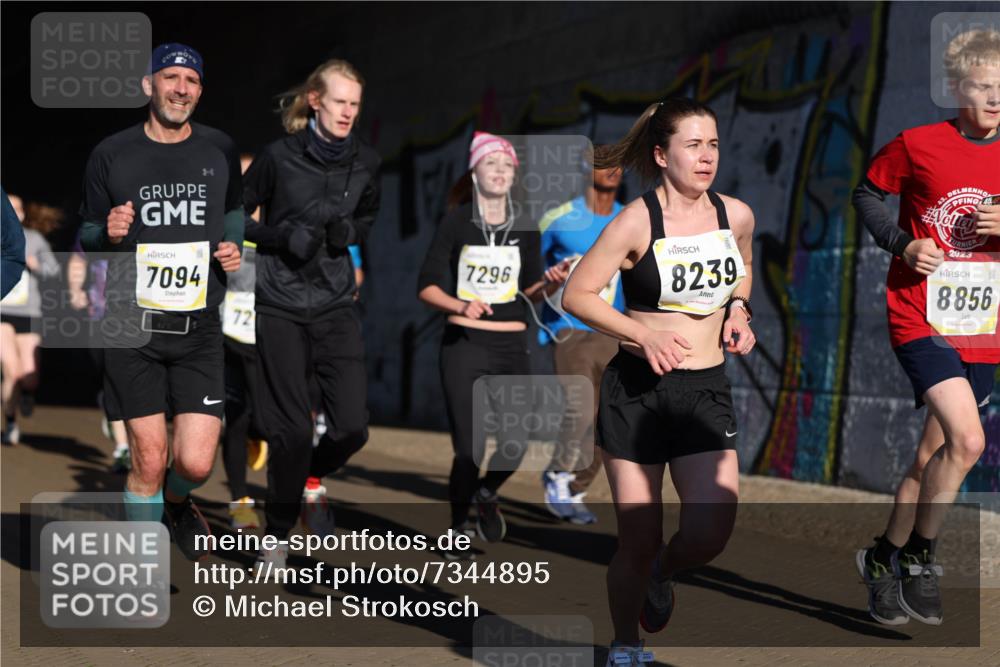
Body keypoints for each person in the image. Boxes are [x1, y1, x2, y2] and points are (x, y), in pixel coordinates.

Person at [562, 98, 755, 665]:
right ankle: (627, 644)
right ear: (661, 154)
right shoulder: (635, 221)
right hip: (638, 395)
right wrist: (640, 335)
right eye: (693, 145)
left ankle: (663, 575)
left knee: (709, 533)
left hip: (704, 391)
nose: (706, 157)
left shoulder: (735, 215)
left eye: (713, 144)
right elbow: (578, 294)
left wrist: (740, 311)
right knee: (638, 540)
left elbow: (740, 272)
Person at [851, 28, 999, 626]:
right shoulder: (918, 144)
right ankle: (918, 557)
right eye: (985, 87)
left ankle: (883, 560)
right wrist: (902, 243)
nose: (996, 98)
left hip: (984, 325)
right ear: (956, 88)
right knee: (968, 442)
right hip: (922, 315)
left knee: (931, 458)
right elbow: (867, 194)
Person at [79, 43, 244, 560]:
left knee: (194, 464)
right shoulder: (112, 152)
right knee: (149, 460)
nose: (181, 88)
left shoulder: (218, 149)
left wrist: (234, 246)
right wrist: (107, 233)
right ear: (148, 85)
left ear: (200, 90)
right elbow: (86, 231)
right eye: (170, 77)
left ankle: (177, 502)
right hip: (133, 326)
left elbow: (234, 210)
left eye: (191, 81)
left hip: (198, 330)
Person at [243, 59, 381, 569]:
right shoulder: (278, 158)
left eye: (355, 105)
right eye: (340, 101)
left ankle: (309, 477)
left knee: (351, 428)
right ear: (316, 101)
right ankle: (276, 531)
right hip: (279, 302)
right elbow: (234, 215)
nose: (347, 112)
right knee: (292, 432)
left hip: (334, 303)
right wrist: (279, 237)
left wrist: (354, 234)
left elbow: (368, 213)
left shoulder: (367, 161)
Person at [418, 131, 549, 558]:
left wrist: (551, 283)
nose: (499, 171)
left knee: (515, 443)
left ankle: (487, 493)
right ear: (475, 172)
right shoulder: (456, 222)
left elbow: (529, 291)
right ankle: (459, 526)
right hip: (465, 345)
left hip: (512, 347)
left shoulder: (525, 224)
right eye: (490, 163)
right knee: (470, 448)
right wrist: (460, 304)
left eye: (507, 165)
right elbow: (426, 287)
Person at [538, 145, 625, 525]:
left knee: (614, 418)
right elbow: (530, 273)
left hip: (613, 329)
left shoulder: (629, 219)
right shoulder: (558, 219)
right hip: (568, 327)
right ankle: (558, 472)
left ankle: (575, 485)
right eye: (603, 163)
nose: (613, 170)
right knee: (581, 406)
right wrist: (547, 280)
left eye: (619, 163)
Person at [67, 235, 131, 471]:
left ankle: (125, 443)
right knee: (111, 380)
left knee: (129, 382)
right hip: (101, 316)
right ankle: (123, 446)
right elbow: (77, 260)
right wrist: (75, 290)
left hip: (137, 319)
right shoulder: (94, 227)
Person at [1, 200, 61, 444]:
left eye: (19, 209)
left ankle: (28, 393)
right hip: (2, 310)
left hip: (30, 312)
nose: (14, 213)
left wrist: (35, 264)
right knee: (11, 371)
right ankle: (11, 422)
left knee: (29, 375)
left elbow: (55, 270)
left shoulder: (34, 239)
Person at [1, 188, 26, 300]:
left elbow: (53, 270)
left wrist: (38, 264)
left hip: (22, 308)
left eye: (16, 209)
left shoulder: (36, 238)